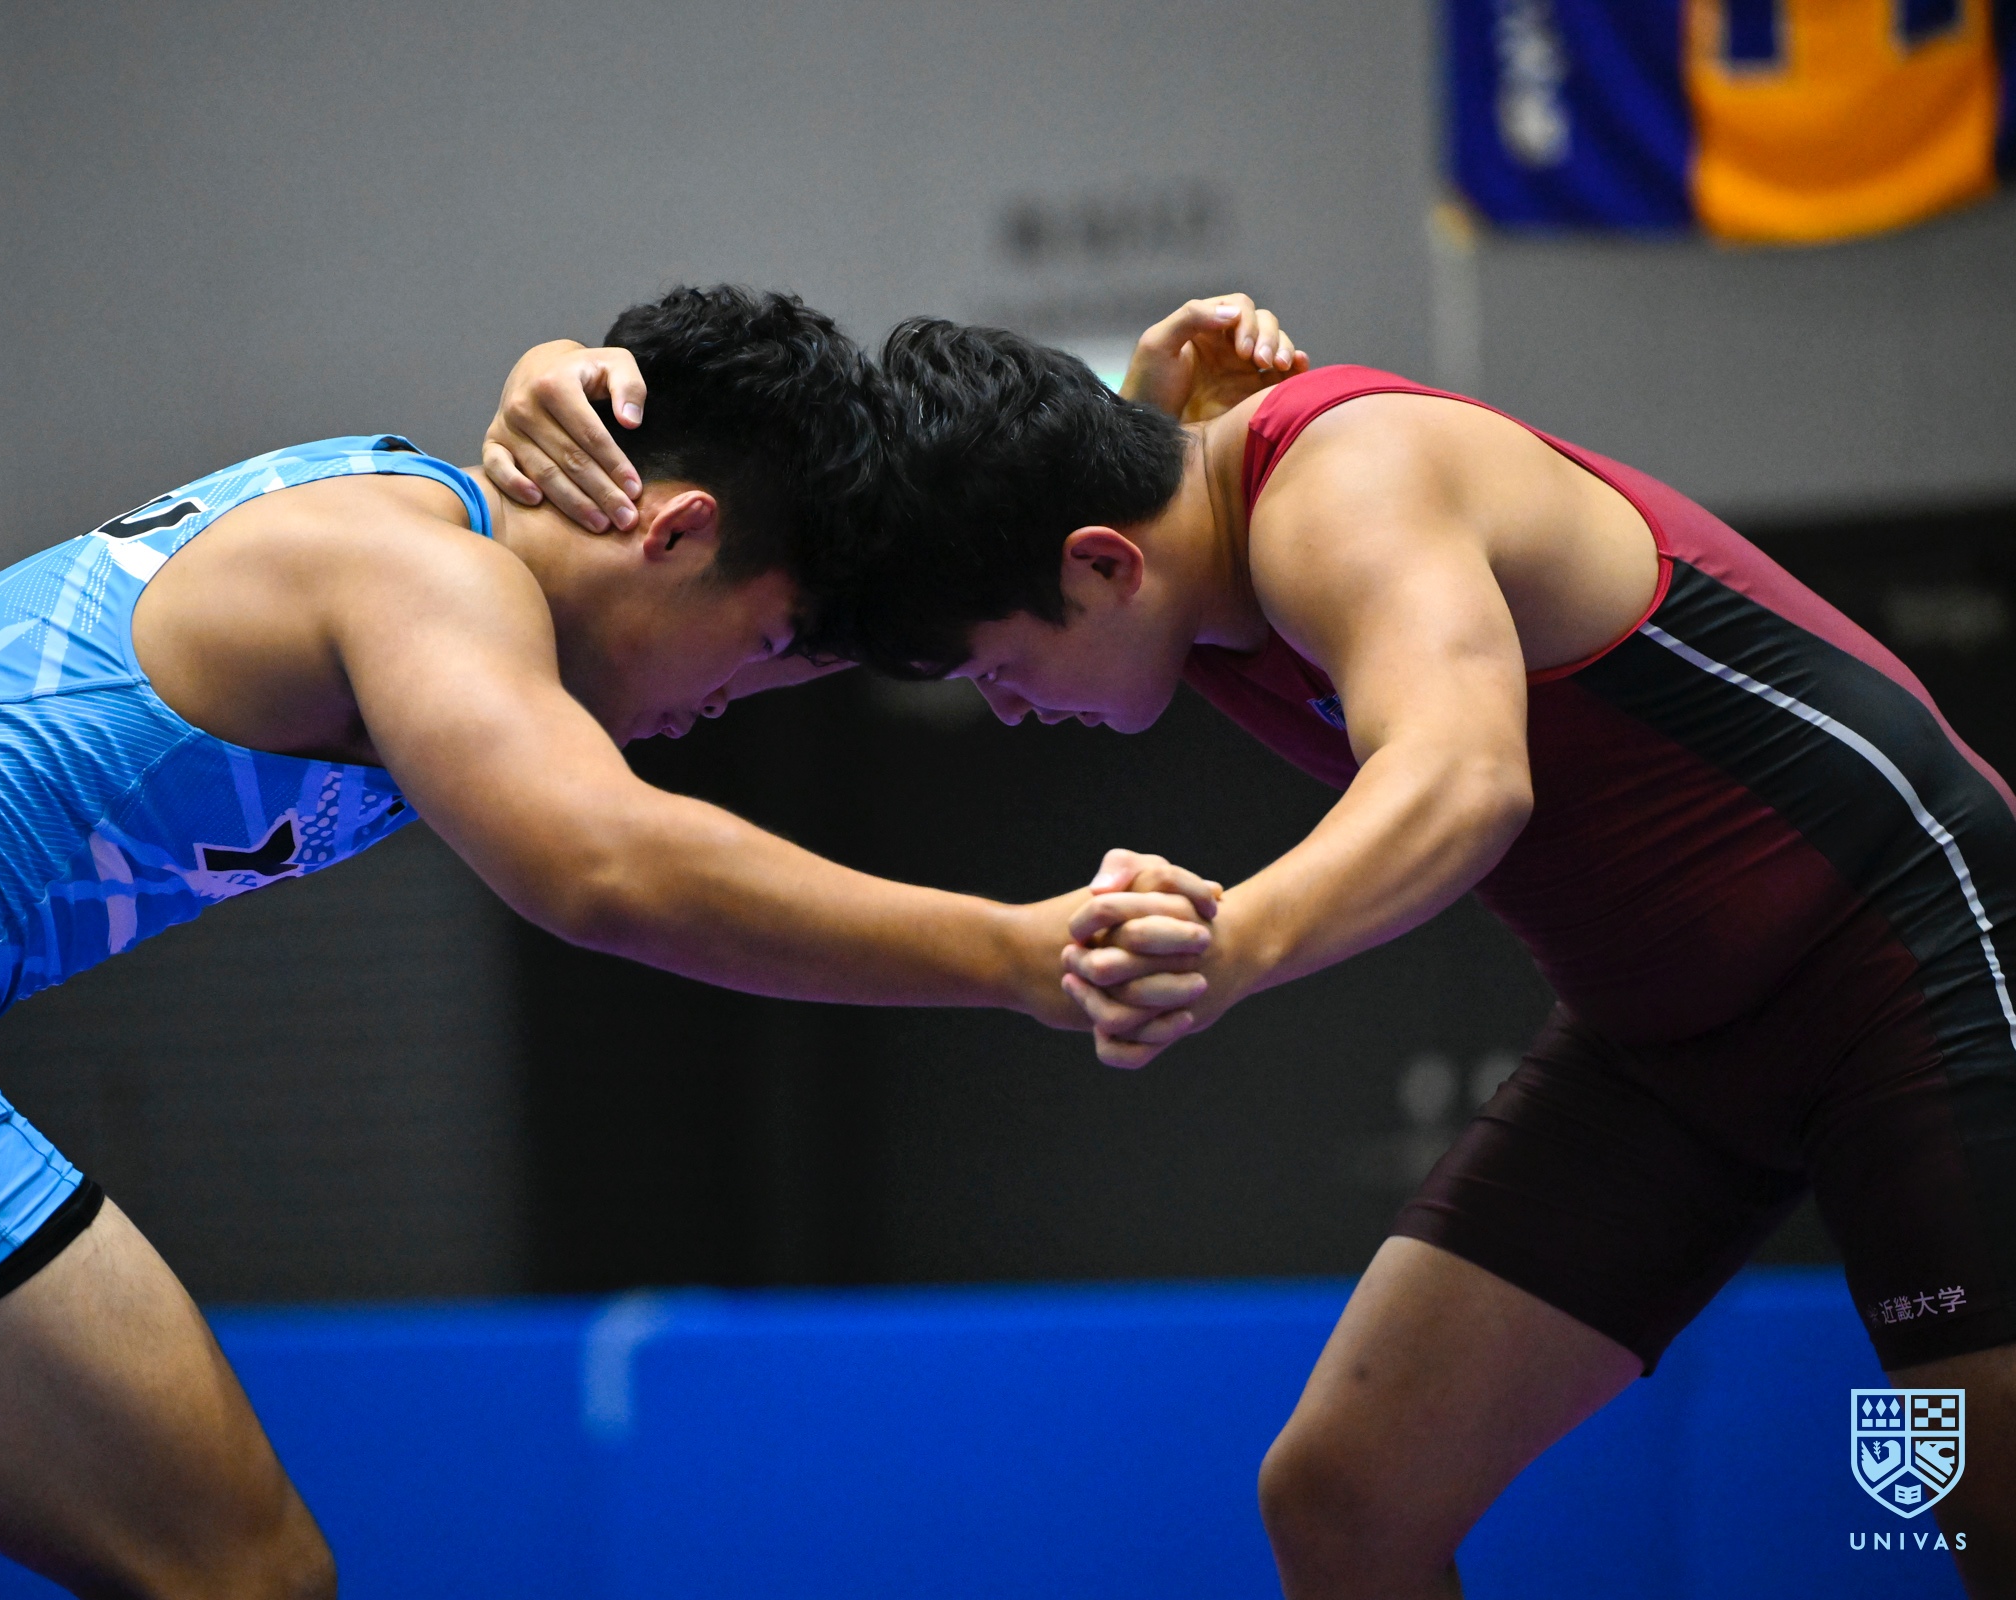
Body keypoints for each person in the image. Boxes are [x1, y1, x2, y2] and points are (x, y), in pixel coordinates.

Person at [0, 286, 1234, 1598]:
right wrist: (1012, 953)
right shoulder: (433, 576)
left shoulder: (403, 508)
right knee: (242, 1576)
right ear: (672, 531)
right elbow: (601, 866)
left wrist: (1134, 422)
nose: (713, 711)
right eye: (748, 657)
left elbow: (755, 454)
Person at [520, 306, 2016, 1596]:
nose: (1012, 711)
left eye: (1004, 669)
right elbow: (827, 518)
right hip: (1667, 1043)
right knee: (1345, 1503)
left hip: (1905, 948)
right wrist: (561, 390)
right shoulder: (1133, 522)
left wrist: (1234, 943)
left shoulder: (1345, 485)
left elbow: (1465, 779)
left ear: (1102, 564)